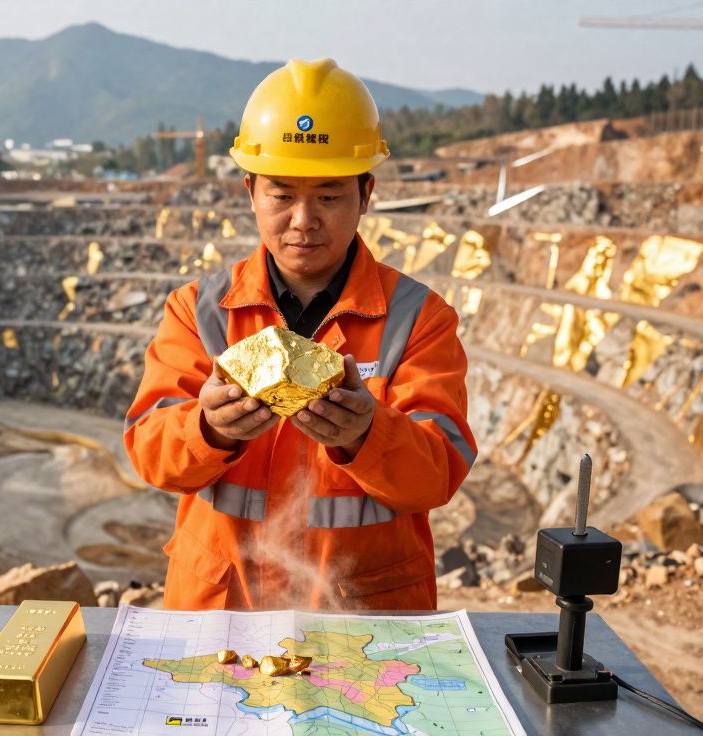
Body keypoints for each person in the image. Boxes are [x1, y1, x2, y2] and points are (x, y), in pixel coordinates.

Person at [123, 58, 476, 611]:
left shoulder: (418, 319)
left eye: (329, 196)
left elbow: (437, 475)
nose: (304, 220)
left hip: (363, 618)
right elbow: (151, 452)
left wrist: (367, 433)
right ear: (250, 190)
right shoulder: (200, 311)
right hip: (222, 614)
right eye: (282, 195)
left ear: (366, 193)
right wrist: (208, 428)